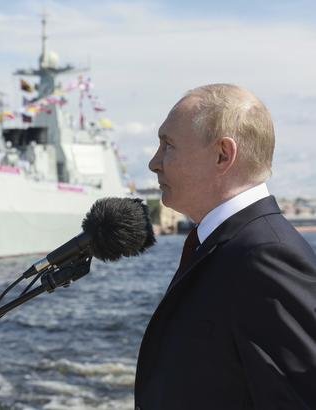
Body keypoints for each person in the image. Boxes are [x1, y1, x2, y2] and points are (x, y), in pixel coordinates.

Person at [135, 84, 316, 409]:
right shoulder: (229, 244)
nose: (154, 162)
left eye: (167, 145)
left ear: (223, 155)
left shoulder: (266, 255)